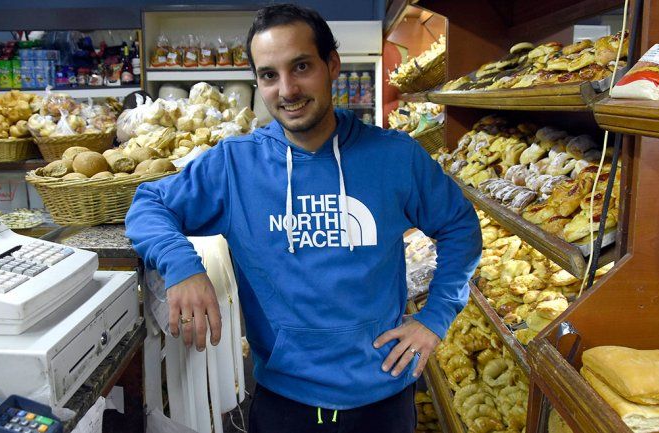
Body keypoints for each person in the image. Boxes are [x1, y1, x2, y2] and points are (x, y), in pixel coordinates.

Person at [125, 4, 481, 432]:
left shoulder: (396, 156)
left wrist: (435, 317)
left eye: (301, 67)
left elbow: (460, 227)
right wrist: (182, 265)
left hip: (383, 399)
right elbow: (148, 204)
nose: (287, 89)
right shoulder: (234, 166)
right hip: (283, 403)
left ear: (332, 64)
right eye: (269, 75)